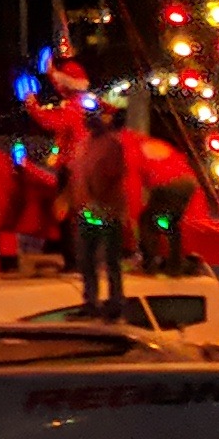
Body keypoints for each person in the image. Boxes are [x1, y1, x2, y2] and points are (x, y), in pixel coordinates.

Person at [66, 101, 135, 316]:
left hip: (107, 211)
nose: (90, 120)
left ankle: (115, 303)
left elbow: (113, 175)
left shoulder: (112, 145)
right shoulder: (84, 144)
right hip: (87, 211)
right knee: (86, 260)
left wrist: (95, 197)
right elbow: (76, 175)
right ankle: (91, 302)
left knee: (110, 261)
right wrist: (75, 201)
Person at [133, 124, 197, 275]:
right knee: (169, 223)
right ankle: (175, 264)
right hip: (187, 182)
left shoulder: (133, 150)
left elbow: (133, 184)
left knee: (147, 221)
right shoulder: (156, 145)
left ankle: (150, 262)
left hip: (168, 183)